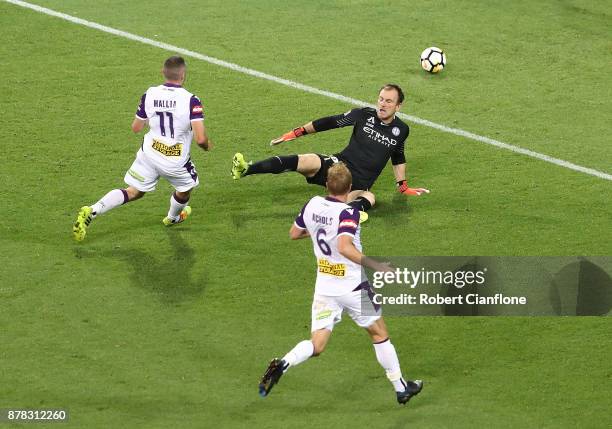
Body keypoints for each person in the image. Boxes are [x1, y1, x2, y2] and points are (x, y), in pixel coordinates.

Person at [258, 163, 423, 406]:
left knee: (317, 344)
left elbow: (294, 233)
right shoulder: (348, 213)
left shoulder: (312, 204)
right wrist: (377, 265)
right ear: (349, 189)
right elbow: (345, 247)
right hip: (354, 287)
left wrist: (319, 230)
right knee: (379, 334)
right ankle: (400, 388)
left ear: (327, 185)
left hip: (325, 287)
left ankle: (284, 362)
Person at [231, 84, 429, 222]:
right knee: (306, 160)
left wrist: (403, 186)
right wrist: (295, 133)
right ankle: (247, 169)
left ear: (398, 106)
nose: (382, 104)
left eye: (388, 101)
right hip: (338, 165)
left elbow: (398, 155)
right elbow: (330, 122)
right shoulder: (364, 114)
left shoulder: (401, 130)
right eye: (380, 99)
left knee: (370, 198)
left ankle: (348, 212)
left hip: (359, 182)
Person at [73, 56, 213, 241]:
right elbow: (201, 139)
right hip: (174, 161)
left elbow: (136, 127)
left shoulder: (150, 93)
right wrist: (207, 146)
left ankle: (93, 210)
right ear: (183, 75)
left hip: (150, 153)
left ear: (163, 73)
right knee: (185, 188)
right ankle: (172, 218)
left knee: (133, 191)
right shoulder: (191, 100)